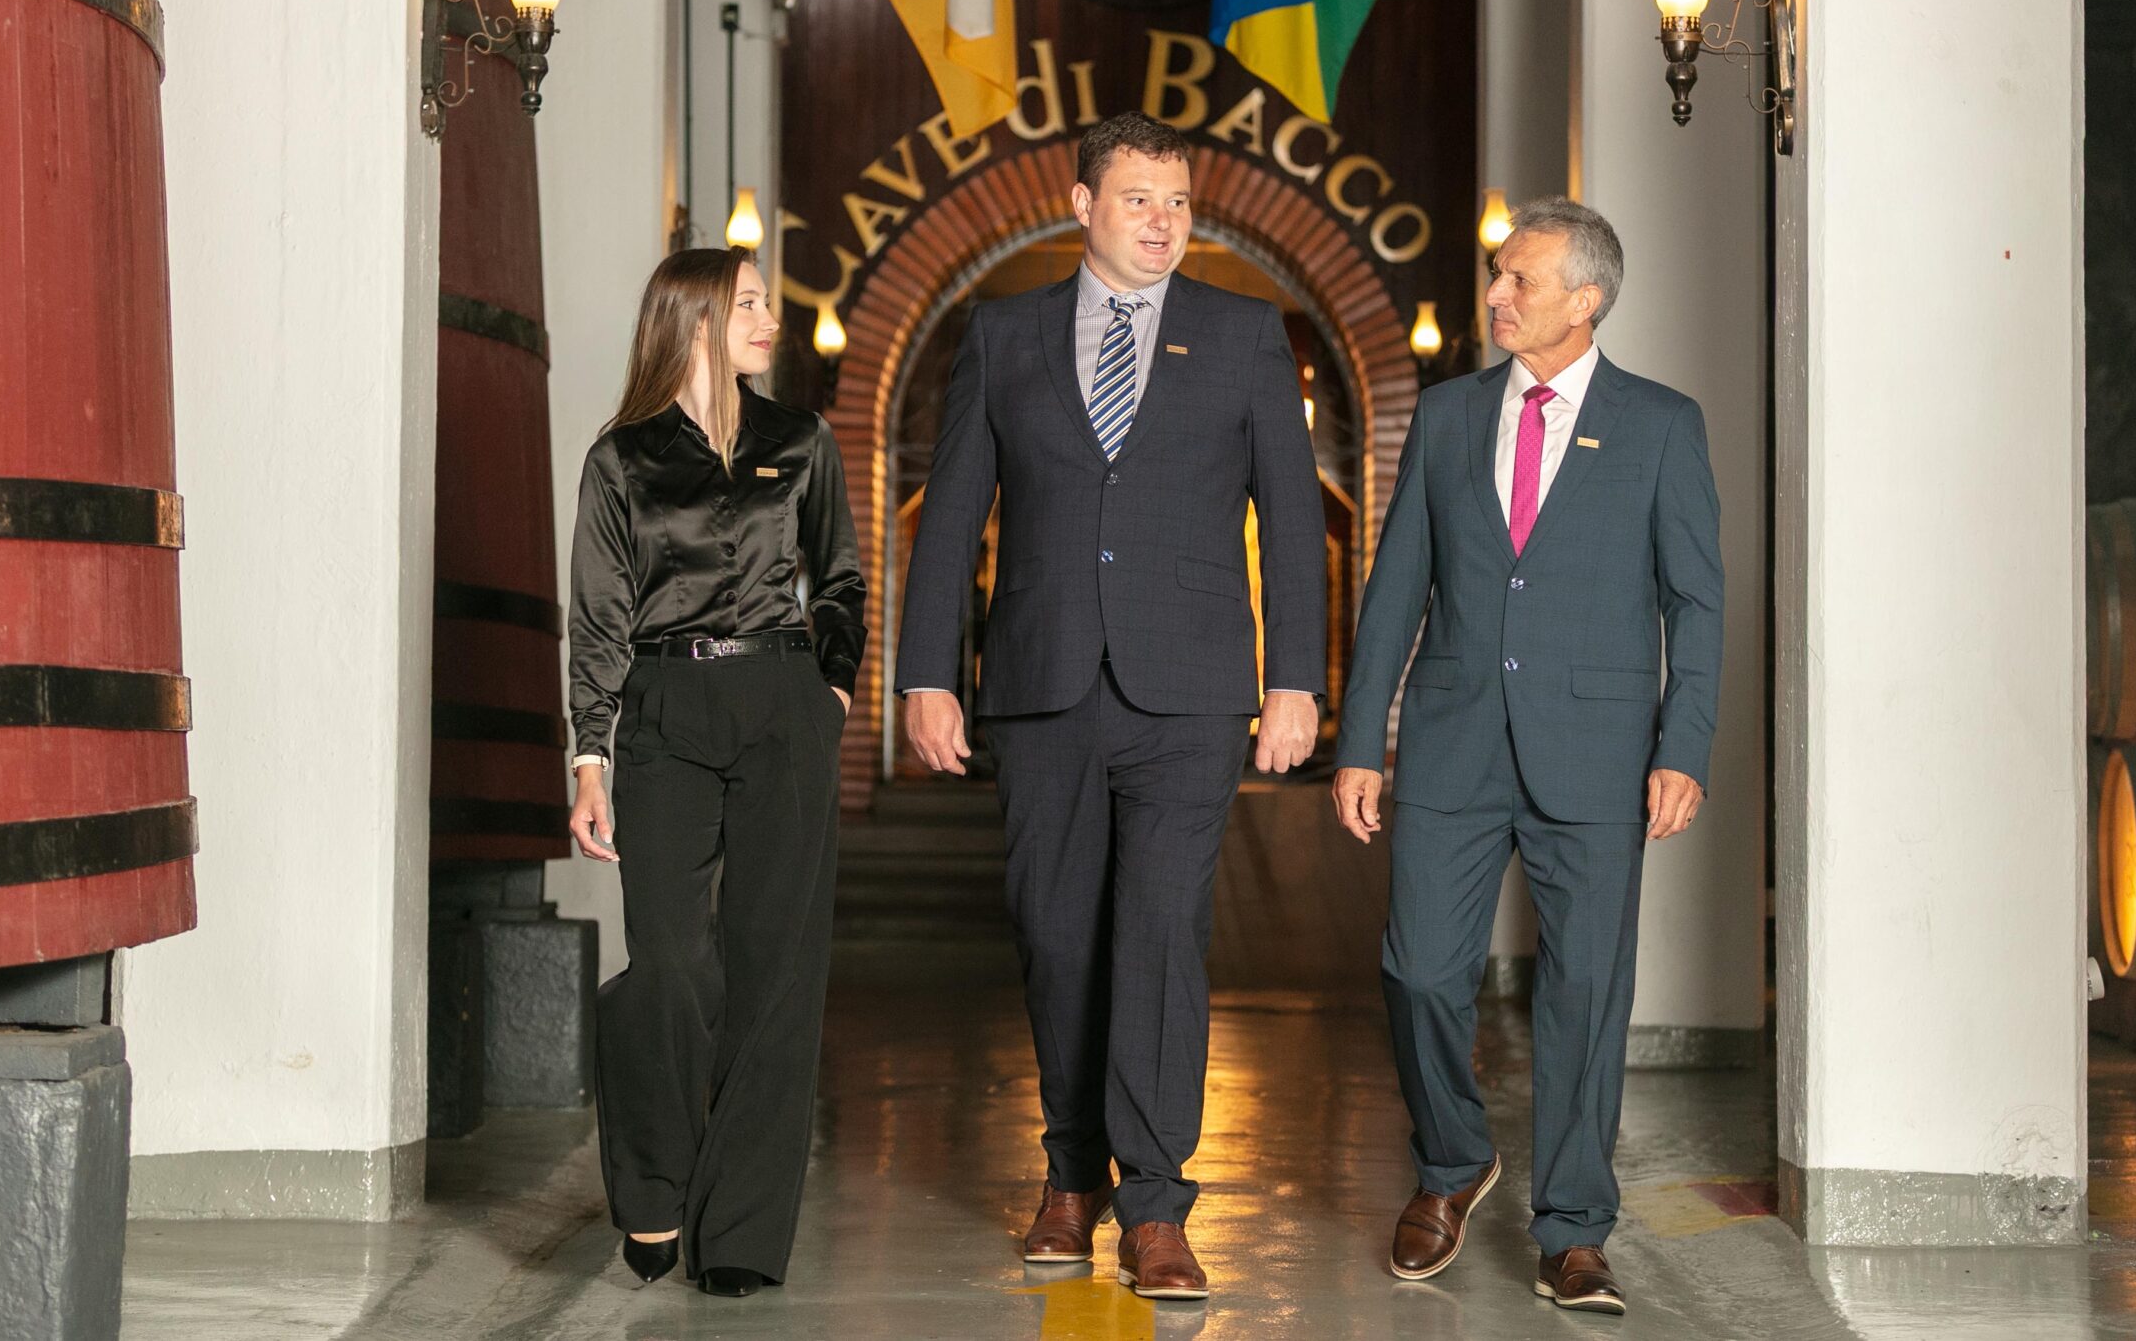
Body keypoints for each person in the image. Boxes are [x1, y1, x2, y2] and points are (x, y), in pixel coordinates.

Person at [894, 111, 1326, 1301]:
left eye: (1179, 203)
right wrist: (927, 673)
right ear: (1078, 203)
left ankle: (1152, 1204)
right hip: (1041, 685)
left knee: (1160, 934)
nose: (1163, 223)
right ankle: (1068, 1171)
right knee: (1055, 932)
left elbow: (1291, 519)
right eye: (1138, 199)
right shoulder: (1002, 335)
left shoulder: (1245, 339)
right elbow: (950, 519)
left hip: (1189, 692)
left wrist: (1296, 678)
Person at [1330, 198, 1723, 1317]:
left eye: (1520, 280)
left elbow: (1696, 602)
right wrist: (1365, 740)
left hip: (1600, 751)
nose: (1496, 295)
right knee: (1417, 971)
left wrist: (1681, 746)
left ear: (1584, 301)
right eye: (1498, 276)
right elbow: (1396, 586)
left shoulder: (1659, 424)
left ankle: (1573, 1230)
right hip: (1453, 744)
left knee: (1587, 992)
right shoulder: (1449, 416)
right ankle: (1453, 1166)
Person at [564, 247, 865, 1299]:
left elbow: (839, 578)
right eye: (747, 303)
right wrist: (589, 754)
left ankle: (739, 1232)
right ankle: (652, 1185)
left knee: (778, 971)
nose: (768, 318)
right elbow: (599, 617)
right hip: (663, 711)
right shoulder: (623, 460)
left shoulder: (801, 441)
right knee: (673, 966)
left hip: (783, 704)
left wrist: (829, 690)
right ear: (692, 319)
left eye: (767, 302)